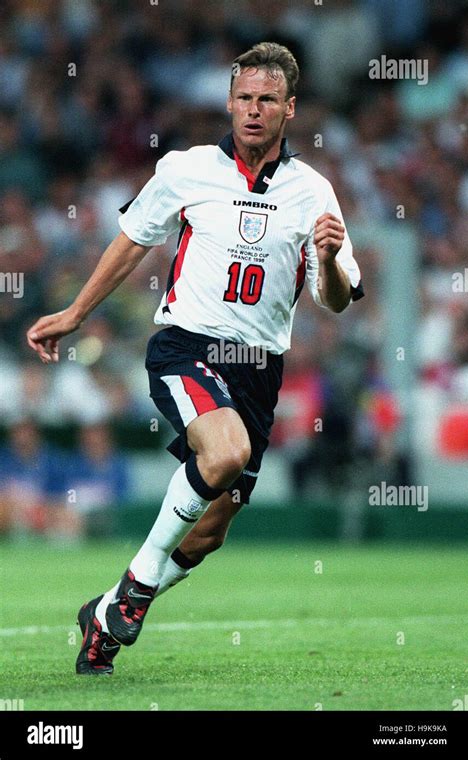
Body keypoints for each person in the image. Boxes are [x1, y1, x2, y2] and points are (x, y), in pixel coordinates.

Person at [26, 42, 364, 675]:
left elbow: (337, 300)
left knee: (208, 532)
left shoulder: (314, 191)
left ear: (290, 108)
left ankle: (106, 615)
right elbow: (131, 241)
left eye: (267, 99)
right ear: (229, 102)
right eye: (243, 98)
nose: (253, 110)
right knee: (226, 451)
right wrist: (75, 315)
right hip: (187, 346)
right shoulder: (186, 169)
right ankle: (135, 586)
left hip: (260, 368)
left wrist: (325, 257)